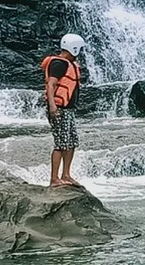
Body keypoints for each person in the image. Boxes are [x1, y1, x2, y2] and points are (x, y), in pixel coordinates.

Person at [41, 33, 86, 187]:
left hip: (68, 110)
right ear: (73, 48)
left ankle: (66, 175)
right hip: (59, 109)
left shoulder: (69, 63)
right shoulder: (59, 64)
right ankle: (54, 179)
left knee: (71, 142)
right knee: (61, 143)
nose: (79, 53)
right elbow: (51, 85)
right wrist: (53, 105)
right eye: (78, 49)